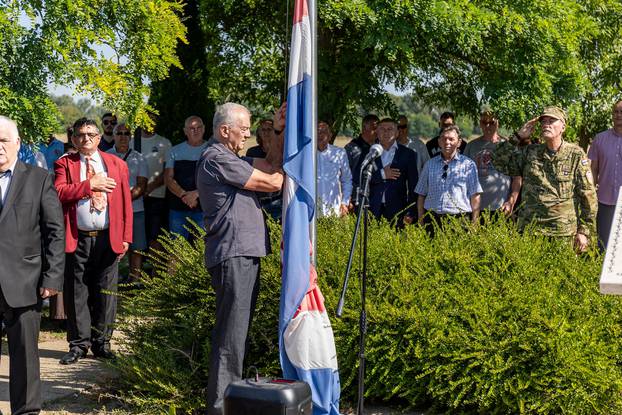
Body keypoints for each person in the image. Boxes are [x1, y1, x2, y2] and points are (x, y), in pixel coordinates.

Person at [197, 102, 284, 415]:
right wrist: (297, 172)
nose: (248, 133)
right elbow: (273, 180)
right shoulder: (217, 157)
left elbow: (272, 163)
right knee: (229, 337)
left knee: (237, 334)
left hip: (244, 253)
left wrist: (279, 130)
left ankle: (227, 402)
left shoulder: (234, 158)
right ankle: (219, 408)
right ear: (224, 130)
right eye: (244, 128)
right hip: (232, 253)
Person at [0, 116, 65, 414]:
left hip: (24, 281)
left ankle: (25, 411)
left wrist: (52, 278)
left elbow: (54, 232)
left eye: (4, 140)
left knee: (25, 355)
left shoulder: (38, 179)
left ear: (17, 143)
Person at [55, 117, 133, 364]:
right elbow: (58, 192)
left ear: (99, 138)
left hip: (108, 236)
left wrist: (127, 237)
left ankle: (102, 343)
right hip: (77, 237)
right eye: (80, 135)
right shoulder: (64, 164)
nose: (85, 138)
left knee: (106, 292)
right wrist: (90, 185)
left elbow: (125, 204)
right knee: (76, 291)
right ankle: (78, 345)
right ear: (74, 139)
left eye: (90, 134)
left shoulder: (116, 164)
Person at [493, 106, 597, 251]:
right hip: (530, 231)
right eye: (543, 121)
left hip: (563, 235)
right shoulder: (530, 152)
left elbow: (588, 195)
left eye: (552, 120)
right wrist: (518, 136)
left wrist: (584, 231)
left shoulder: (576, 155)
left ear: (563, 127)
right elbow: (498, 161)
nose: (546, 124)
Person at [416, 125, 482, 234]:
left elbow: (475, 195)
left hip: (459, 221)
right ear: (439, 141)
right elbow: (421, 194)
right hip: (432, 220)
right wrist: (421, 220)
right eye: (444, 139)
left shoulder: (468, 165)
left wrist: (474, 224)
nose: (447, 142)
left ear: (459, 142)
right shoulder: (429, 164)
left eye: (451, 139)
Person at [107, 122, 149, 281]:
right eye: (119, 133)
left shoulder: (139, 158)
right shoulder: (106, 156)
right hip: (112, 212)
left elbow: (142, 185)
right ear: (114, 136)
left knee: (136, 248)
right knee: (112, 246)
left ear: (130, 137)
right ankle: (113, 280)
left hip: (135, 209)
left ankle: (135, 281)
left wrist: (123, 201)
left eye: (126, 133)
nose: (123, 136)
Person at [464, 111, 522, 214]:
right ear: (480, 124)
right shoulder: (471, 146)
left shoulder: (508, 145)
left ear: (498, 123)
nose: (488, 125)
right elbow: (463, 177)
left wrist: (511, 201)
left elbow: (517, 177)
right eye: (484, 122)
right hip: (474, 208)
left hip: (501, 208)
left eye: (492, 122)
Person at [130, 113, 172, 248]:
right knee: (137, 237)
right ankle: (138, 268)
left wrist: (148, 188)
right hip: (134, 197)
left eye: (152, 120)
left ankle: (155, 269)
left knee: (155, 236)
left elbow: (167, 171)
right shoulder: (132, 142)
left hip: (156, 196)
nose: (149, 123)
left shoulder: (164, 143)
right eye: (146, 120)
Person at [164, 115, 209, 239]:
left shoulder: (212, 150)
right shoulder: (174, 151)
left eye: (199, 127)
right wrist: (184, 195)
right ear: (185, 131)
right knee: (176, 250)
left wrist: (196, 194)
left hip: (205, 209)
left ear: (204, 129)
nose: (196, 131)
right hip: (178, 210)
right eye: (192, 128)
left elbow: (216, 179)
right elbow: (168, 178)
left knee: (204, 249)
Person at [368, 118, 418, 226]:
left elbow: (413, 186)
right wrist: (382, 174)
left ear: (396, 133)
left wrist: (410, 211)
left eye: (390, 129)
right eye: (382, 129)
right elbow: (361, 179)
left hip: (399, 211)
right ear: (377, 132)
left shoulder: (408, 154)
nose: (386, 132)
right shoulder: (369, 153)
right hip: (372, 210)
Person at [588, 99, 622, 250]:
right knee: (604, 245)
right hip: (605, 201)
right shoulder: (600, 139)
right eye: (616, 111)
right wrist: (590, 194)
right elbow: (593, 169)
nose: (618, 115)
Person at [317, 121, 352, 217]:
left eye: (324, 132)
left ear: (330, 135)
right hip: (312, 210)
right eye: (317, 132)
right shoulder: (307, 154)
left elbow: (347, 179)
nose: (320, 135)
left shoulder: (339, 153)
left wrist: (345, 202)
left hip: (334, 210)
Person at [345, 114, 379, 196]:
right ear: (364, 128)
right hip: (356, 195)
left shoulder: (380, 147)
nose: (377, 131)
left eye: (378, 128)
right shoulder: (351, 147)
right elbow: (345, 175)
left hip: (376, 197)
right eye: (374, 128)